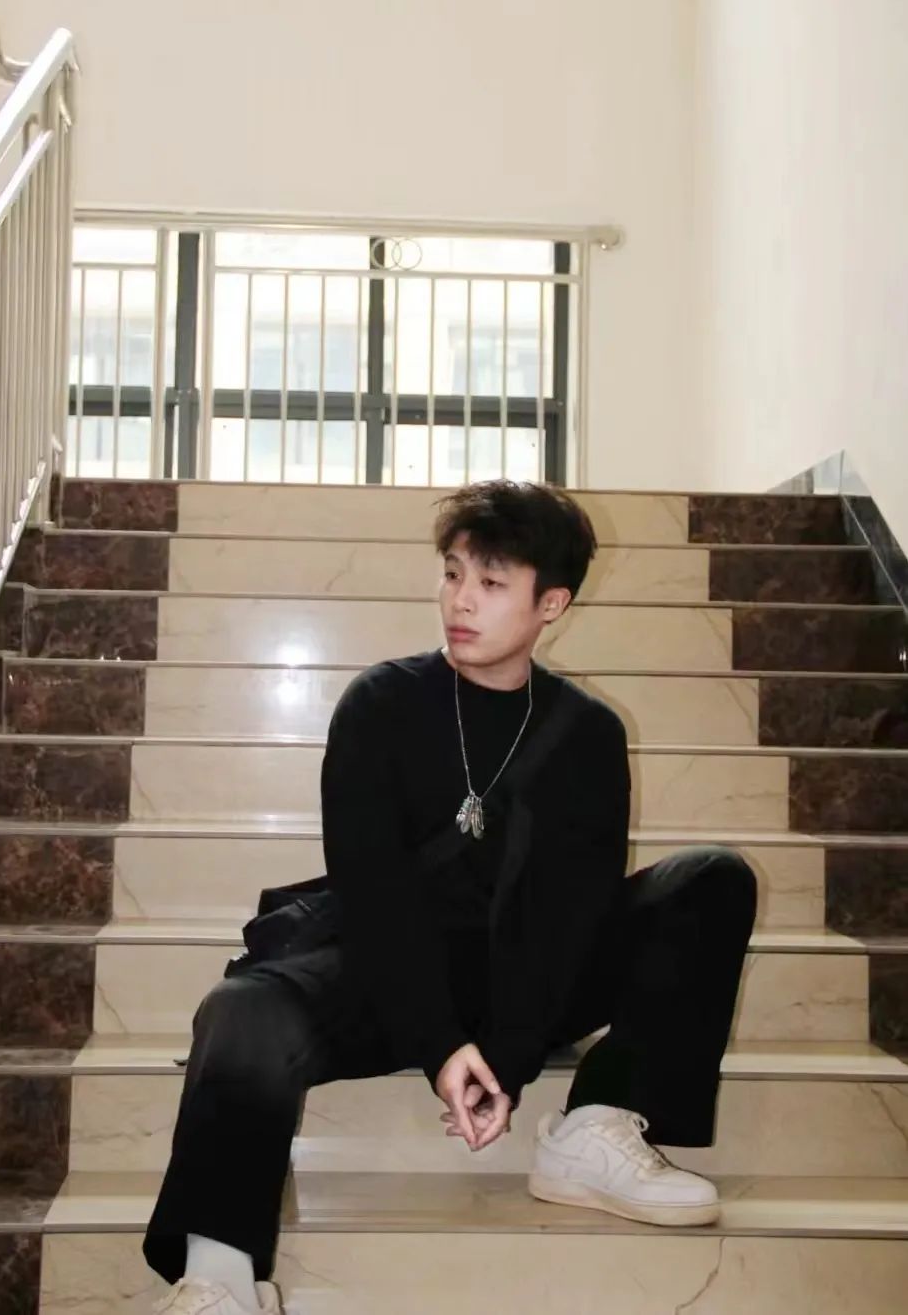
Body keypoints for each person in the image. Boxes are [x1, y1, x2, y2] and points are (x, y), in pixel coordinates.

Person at [146, 480, 758, 1315]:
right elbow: (373, 897)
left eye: (491, 582)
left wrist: (507, 1054)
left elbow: (571, 915)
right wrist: (439, 1046)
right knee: (242, 1011)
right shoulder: (380, 704)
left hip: (525, 978)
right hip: (386, 968)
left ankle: (596, 1126)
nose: (459, 600)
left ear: (551, 604)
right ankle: (218, 1278)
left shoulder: (587, 734)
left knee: (711, 880)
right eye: (452, 573)